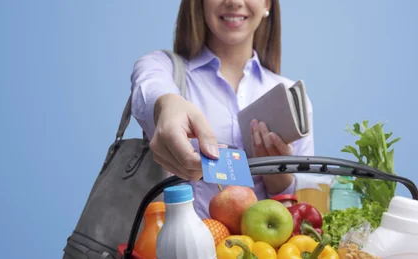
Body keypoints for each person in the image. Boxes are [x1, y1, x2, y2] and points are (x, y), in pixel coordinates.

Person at [129, 0, 314, 219]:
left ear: (267, 4)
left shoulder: (291, 98)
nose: (235, 2)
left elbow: (308, 213)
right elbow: (149, 89)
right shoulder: (162, 68)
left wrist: (278, 180)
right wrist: (168, 106)